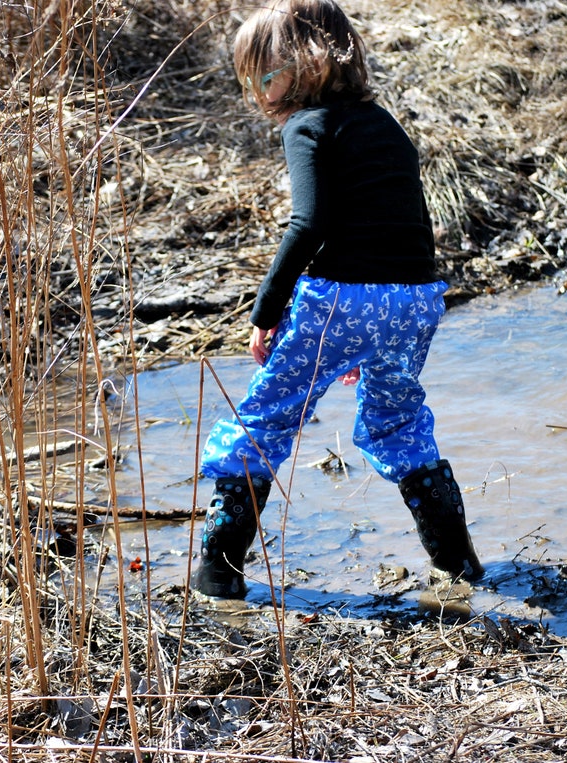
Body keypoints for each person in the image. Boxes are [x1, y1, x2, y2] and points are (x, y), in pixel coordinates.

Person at [193, 0, 482, 599]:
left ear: (302, 65)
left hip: (340, 301)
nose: (255, 90)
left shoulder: (308, 126)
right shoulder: (385, 125)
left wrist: (266, 314)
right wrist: (373, 326)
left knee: (266, 419)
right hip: (415, 299)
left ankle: (218, 575)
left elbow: (308, 224)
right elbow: (402, 221)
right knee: (398, 419)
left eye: (261, 74)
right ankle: (457, 567)